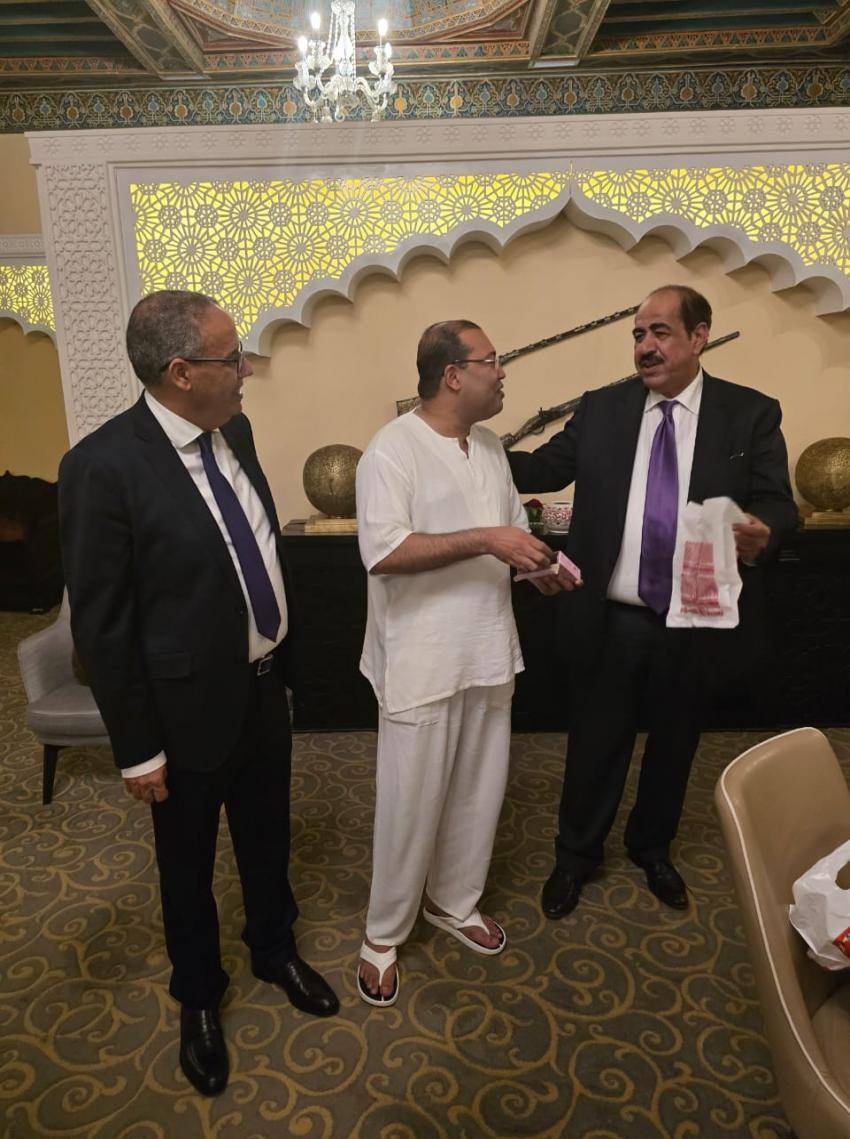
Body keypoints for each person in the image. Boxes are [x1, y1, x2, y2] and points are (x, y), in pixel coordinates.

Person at [58, 290, 339, 1098]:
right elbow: (105, 624)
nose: (246, 368)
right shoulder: (103, 466)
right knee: (185, 864)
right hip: (181, 715)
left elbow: (251, 546)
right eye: (231, 357)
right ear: (181, 372)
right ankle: (200, 995)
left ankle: (274, 948)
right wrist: (136, 749)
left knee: (267, 835)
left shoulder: (233, 431)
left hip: (263, 689)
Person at [507, 285, 798, 919]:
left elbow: (778, 501)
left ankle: (652, 848)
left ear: (699, 336)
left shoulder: (748, 413)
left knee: (675, 743)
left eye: (660, 332)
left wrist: (765, 530)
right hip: (611, 617)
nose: (645, 346)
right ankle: (575, 857)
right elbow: (539, 470)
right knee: (594, 745)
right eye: (638, 334)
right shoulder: (603, 409)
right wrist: (459, 441)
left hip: (694, 617)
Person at [354, 319, 572, 1005]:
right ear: (453, 374)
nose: (502, 373)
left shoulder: (490, 446)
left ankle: (453, 900)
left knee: (479, 791)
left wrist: (537, 569)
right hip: (420, 659)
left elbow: (507, 538)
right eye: (492, 361)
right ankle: (383, 934)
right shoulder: (391, 450)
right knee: (409, 802)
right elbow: (384, 552)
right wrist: (488, 538)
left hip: (487, 648)